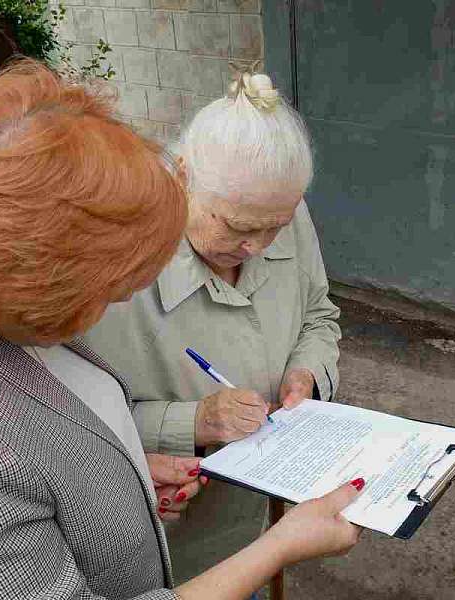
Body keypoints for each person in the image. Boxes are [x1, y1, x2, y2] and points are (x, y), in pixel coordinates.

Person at [0, 60, 362, 600]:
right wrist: (278, 547)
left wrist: (129, 484)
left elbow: (53, 452)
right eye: (112, 292)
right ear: (36, 283)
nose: (120, 302)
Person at [84, 67, 341, 582]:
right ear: (182, 177)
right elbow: (69, 425)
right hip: (171, 548)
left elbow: (319, 313)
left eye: (278, 226)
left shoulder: (275, 206)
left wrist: (307, 373)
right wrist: (194, 422)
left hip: (261, 515)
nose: (260, 246)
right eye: (240, 227)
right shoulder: (112, 268)